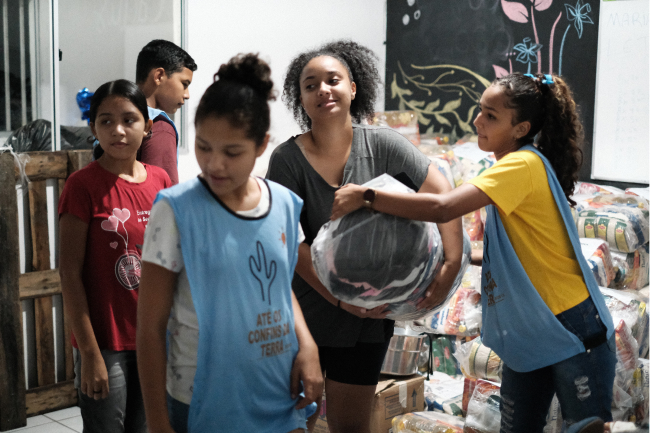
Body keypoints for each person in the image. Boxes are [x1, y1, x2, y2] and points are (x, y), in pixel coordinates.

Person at [331, 72, 617, 431]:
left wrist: (367, 196)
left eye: (491, 116)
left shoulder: (521, 165)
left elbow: (443, 207)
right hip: (532, 329)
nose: (478, 121)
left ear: (521, 127)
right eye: (480, 111)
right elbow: (519, 250)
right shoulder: (514, 164)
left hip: (570, 325)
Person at [266, 40, 464, 433]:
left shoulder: (384, 145)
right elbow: (289, 243)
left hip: (370, 318)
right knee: (290, 423)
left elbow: (444, 195)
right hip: (305, 313)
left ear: (353, 88)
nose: (323, 89)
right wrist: (340, 301)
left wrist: (451, 267)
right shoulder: (286, 160)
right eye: (310, 85)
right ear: (299, 98)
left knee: (351, 427)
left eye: (332, 80)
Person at [136, 53, 323, 433]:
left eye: (232, 152)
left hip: (278, 389)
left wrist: (308, 346)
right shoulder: (177, 211)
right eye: (204, 147)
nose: (215, 164)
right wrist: (157, 420)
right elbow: (150, 327)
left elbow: (277, 287)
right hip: (202, 399)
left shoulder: (284, 205)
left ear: (261, 145)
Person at [58, 79, 172, 433]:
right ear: (93, 127)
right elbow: (69, 275)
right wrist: (89, 354)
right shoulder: (81, 185)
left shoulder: (162, 181)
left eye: (129, 119)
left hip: (154, 336)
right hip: (105, 342)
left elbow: (172, 263)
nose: (118, 130)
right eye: (105, 121)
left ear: (148, 126)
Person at [134, 39, 197, 185]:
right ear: (159, 76)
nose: (187, 95)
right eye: (184, 84)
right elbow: (158, 196)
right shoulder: (159, 127)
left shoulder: (111, 120)